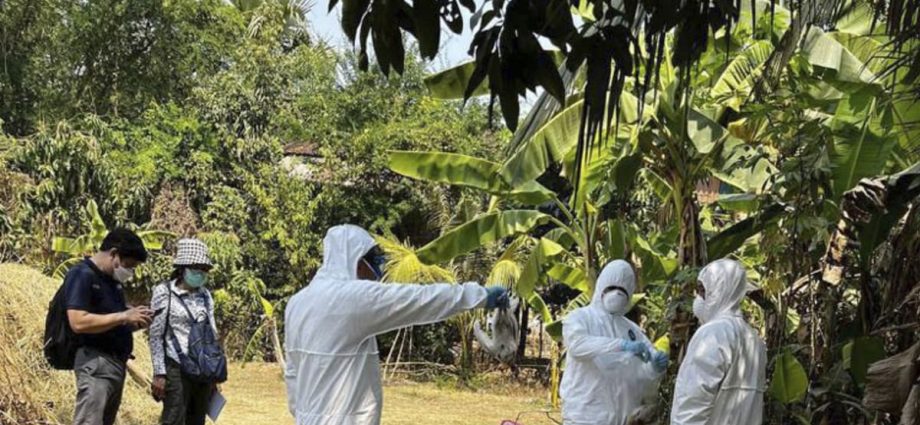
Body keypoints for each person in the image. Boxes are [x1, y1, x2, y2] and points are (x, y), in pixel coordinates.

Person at [284, 224, 509, 425]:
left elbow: (292, 373)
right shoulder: (353, 297)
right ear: (356, 259)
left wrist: (303, 413)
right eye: (372, 260)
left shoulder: (297, 303)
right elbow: (420, 299)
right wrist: (479, 295)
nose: (376, 270)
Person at [559, 260, 668, 425]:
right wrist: (621, 346)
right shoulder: (580, 318)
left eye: (623, 291)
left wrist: (654, 369)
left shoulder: (632, 331)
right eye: (611, 288)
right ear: (601, 286)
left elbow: (642, 382)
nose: (617, 294)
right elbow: (578, 346)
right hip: (584, 418)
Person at [64, 228, 152, 425]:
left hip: (115, 364)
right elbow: (78, 321)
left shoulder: (112, 283)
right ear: (113, 254)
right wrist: (123, 316)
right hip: (95, 363)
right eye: (129, 266)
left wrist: (135, 320)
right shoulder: (82, 275)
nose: (129, 272)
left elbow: (113, 322)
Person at [671, 258, 767, 425]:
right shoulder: (754, 339)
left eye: (703, 291)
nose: (699, 298)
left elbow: (692, 403)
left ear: (719, 290)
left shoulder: (713, 333)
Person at [149, 238, 224, 425]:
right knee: (174, 418)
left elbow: (212, 332)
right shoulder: (164, 292)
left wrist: (214, 373)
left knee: (197, 419)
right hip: (176, 367)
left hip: (202, 369)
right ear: (183, 269)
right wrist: (159, 373)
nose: (201, 273)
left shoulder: (205, 295)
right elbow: (156, 335)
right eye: (196, 268)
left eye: (204, 269)